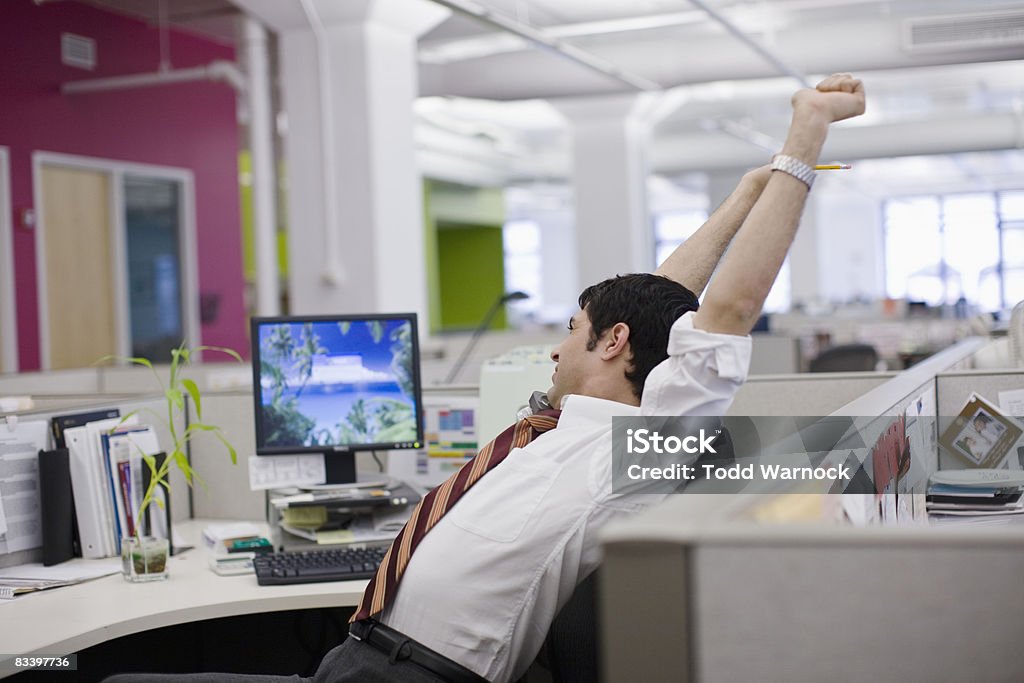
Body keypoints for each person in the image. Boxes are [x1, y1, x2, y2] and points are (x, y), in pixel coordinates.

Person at [104, 73, 866, 683]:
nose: (555, 351)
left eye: (571, 331)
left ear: (613, 345)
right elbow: (652, 298)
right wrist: (744, 192)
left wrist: (804, 137)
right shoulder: (574, 425)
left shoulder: (639, 441)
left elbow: (729, 308)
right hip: (362, 657)